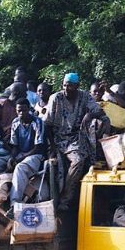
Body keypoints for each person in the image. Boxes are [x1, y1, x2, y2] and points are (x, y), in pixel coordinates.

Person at [43, 72, 110, 211]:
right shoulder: (56, 98)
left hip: (75, 138)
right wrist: (53, 147)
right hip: (58, 138)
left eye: (71, 86)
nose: (67, 89)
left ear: (77, 86)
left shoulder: (84, 96)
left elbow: (101, 112)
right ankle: (65, 199)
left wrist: (90, 114)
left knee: (79, 159)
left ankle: (67, 198)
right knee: (75, 161)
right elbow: (47, 124)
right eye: (65, 85)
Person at [0, 98, 47, 209]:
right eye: (19, 111)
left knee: (19, 168)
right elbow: (15, 146)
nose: (21, 113)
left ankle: (14, 203)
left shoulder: (37, 122)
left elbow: (38, 147)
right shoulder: (16, 122)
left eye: (24, 111)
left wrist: (18, 159)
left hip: (35, 155)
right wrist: (12, 158)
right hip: (20, 154)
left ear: (29, 110)